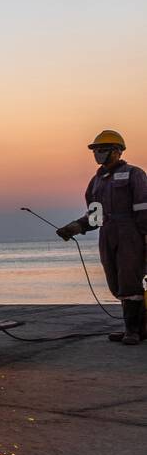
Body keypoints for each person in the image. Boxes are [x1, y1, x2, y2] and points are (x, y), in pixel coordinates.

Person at [56, 130, 147, 345]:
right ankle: (137, 327)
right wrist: (74, 227)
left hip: (130, 233)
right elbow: (95, 217)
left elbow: (144, 208)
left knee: (130, 281)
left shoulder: (135, 174)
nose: (98, 154)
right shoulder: (96, 182)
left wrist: (145, 236)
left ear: (117, 151)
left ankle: (133, 331)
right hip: (107, 234)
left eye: (103, 150)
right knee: (115, 283)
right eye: (96, 150)